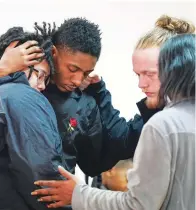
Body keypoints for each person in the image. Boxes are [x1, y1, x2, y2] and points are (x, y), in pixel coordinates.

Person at [32, 33, 195, 210]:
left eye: (150, 74)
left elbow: (138, 204)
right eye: (138, 74)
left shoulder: (163, 124)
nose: (141, 84)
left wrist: (77, 194)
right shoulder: (173, 119)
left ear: (175, 69)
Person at [0, 27, 66, 210]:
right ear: (21, 63)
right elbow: (41, 175)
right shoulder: (22, 97)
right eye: (40, 75)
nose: (42, 85)